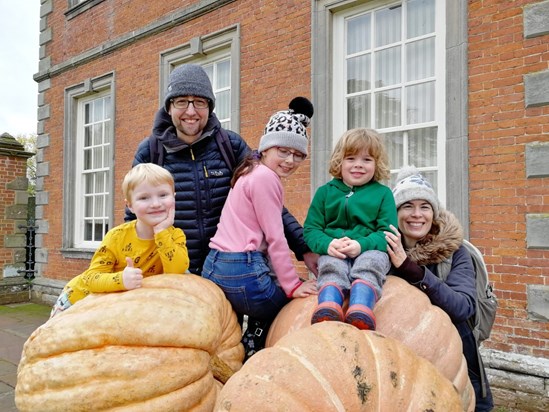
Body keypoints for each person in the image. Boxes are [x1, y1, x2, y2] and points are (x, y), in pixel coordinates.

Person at [128, 64, 318, 276]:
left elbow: (267, 203)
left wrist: (304, 248)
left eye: (199, 102)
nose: (191, 111)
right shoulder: (150, 152)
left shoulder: (231, 145)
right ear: (169, 107)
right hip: (172, 273)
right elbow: (133, 217)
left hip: (226, 270)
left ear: (209, 107)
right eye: (181, 101)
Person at [202, 98, 318, 360]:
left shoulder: (250, 170)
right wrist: (291, 286)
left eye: (298, 154)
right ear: (267, 147)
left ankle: (250, 342)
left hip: (215, 265)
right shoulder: (266, 178)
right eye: (283, 151)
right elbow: (276, 238)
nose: (290, 160)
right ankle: (255, 346)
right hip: (241, 270)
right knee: (292, 306)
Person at [384, 165, 494, 412]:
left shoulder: (455, 252)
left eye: (424, 207)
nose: (416, 215)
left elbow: (462, 307)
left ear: (433, 213)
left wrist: (410, 268)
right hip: (401, 361)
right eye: (407, 206)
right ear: (395, 212)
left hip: (456, 356)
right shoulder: (379, 252)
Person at [50, 163, 189, 317]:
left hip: (114, 308)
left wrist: (161, 232)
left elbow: (176, 273)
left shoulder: (175, 236)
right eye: (144, 198)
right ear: (130, 206)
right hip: (78, 300)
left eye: (163, 195)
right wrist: (121, 279)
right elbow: (91, 278)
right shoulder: (116, 237)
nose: (156, 204)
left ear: (174, 197)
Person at [304, 128, 397, 330]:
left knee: (371, 263)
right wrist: (328, 244)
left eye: (367, 160)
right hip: (335, 249)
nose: (358, 165)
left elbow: (387, 233)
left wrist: (361, 245)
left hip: (368, 249)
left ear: (376, 164)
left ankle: (361, 307)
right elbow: (311, 229)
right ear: (340, 161)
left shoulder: (383, 194)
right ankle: (328, 305)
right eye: (351, 158)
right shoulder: (325, 193)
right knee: (330, 265)